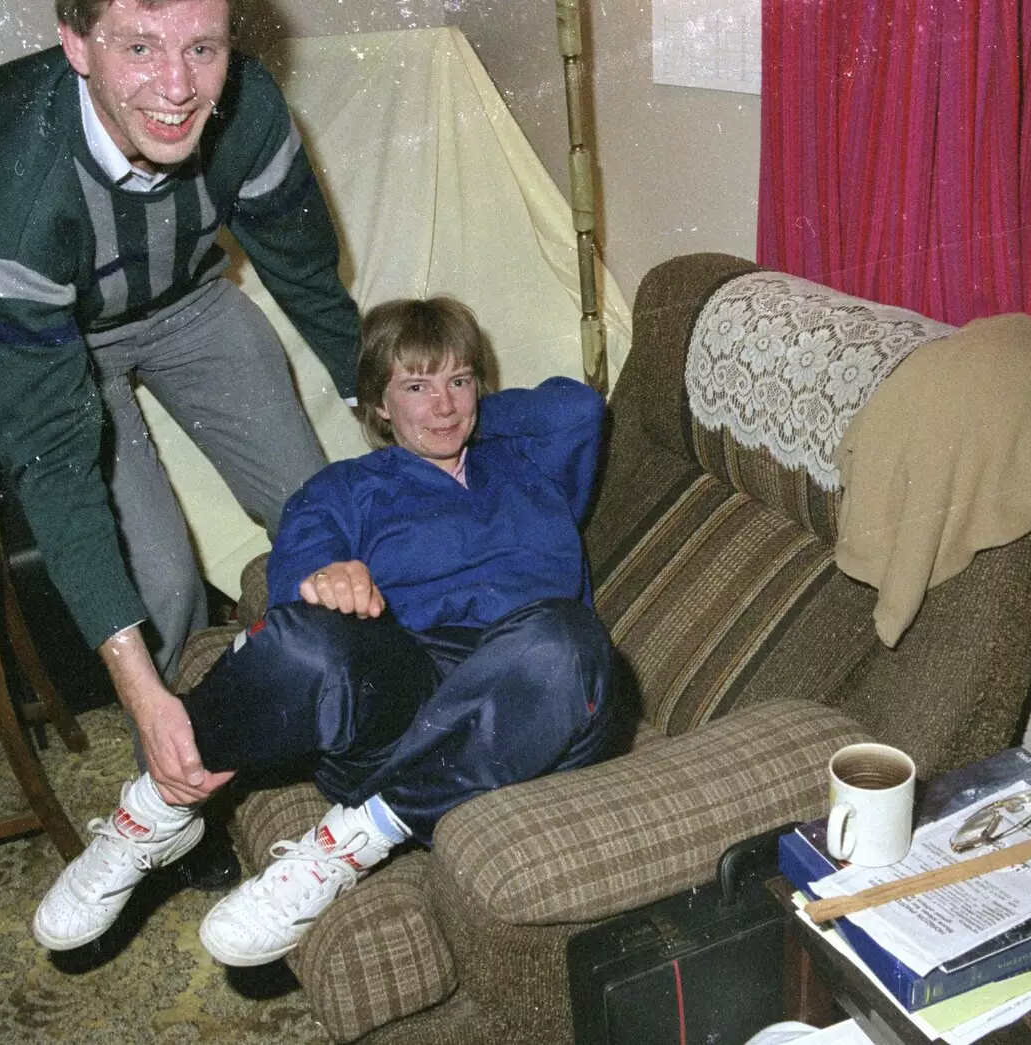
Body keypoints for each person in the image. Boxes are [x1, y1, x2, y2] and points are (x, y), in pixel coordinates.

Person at [31, 296, 626, 965]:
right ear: (375, 403)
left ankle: (348, 841)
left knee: (565, 638)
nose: (444, 405)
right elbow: (295, 585)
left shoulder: (530, 467)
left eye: (459, 381)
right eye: (416, 387)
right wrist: (328, 579)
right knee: (305, 640)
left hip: (542, 699)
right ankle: (152, 812)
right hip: (410, 697)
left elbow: (574, 408)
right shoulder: (345, 488)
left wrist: (469, 412)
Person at [0, 0, 357, 821]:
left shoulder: (250, 104)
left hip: (189, 302)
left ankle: (337, 726)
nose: (177, 85)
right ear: (76, 45)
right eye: (139, 46)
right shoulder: (9, 181)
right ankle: (171, 806)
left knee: (323, 518)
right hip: (64, 340)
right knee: (158, 583)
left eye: (203, 47)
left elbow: (305, 269)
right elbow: (55, 462)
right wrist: (136, 683)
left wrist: (376, 388)